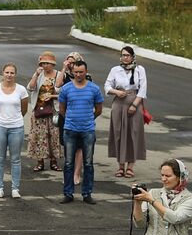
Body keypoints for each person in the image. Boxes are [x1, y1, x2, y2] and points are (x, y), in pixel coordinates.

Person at [58, 58, 104, 204]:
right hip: (70, 130)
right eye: (76, 72)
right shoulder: (66, 89)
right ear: (73, 72)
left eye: (81, 72)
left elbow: (98, 109)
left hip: (88, 130)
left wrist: (89, 118)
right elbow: (62, 109)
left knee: (88, 163)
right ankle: (68, 193)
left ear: (86, 72)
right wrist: (72, 119)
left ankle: (87, 193)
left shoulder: (94, 89)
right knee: (68, 163)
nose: (78, 75)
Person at [0, 62, 30, 199]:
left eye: (12, 73)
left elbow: (24, 109)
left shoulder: (21, 90)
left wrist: (14, 119)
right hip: (0, 127)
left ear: (15, 74)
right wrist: (2, 118)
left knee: (15, 159)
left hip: (16, 127)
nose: (9, 75)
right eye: (7, 72)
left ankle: (15, 188)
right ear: (3, 73)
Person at [104, 45, 148, 180]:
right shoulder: (115, 70)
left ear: (132, 57)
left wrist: (135, 105)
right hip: (119, 103)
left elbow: (142, 89)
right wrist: (116, 91)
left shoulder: (140, 70)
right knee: (118, 132)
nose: (124, 58)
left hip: (134, 102)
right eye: (123, 55)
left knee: (133, 133)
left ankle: (130, 167)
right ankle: (120, 166)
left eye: (127, 55)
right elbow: (107, 85)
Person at [27, 51, 63, 173]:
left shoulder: (58, 75)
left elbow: (62, 93)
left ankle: (54, 161)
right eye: (43, 63)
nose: (45, 66)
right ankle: (40, 161)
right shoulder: (39, 74)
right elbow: (31, 87)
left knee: (54, 135)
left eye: (48, 63)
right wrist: (36, 75)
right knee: (39, 135)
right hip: (39, 109)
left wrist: (52, 96)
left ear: (53, 64)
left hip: (53, 110)